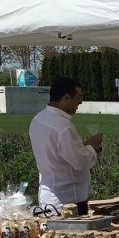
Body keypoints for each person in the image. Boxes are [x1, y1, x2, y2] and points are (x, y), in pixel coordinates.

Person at [29, 77, 103, 215]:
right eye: (79, 97)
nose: (80, 102)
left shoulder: (38, 119)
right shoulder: (63, 127)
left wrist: (85, 147)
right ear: (66, 97)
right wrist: (93, 146)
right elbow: (80, 162)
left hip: (49, 195)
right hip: (68, 201)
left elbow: (61, 154)